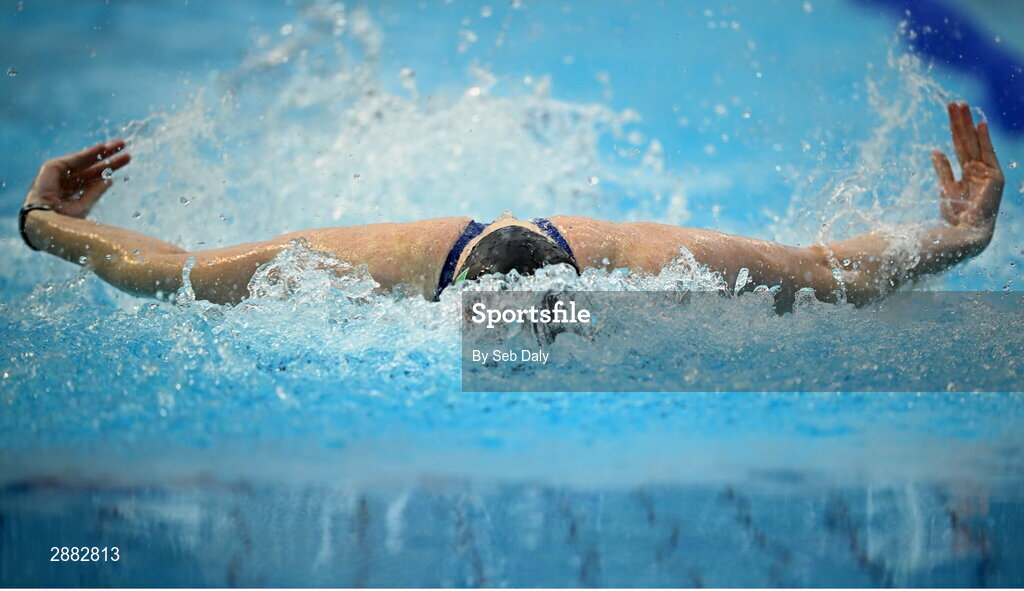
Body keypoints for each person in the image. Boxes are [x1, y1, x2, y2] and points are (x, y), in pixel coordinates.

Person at [18, 102, 1004, 308]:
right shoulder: (371, 263)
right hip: (437, 261)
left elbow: (833, 269)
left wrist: (45, 222)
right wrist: (48, 225)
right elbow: (166, 272)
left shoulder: (651, 260)